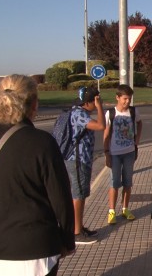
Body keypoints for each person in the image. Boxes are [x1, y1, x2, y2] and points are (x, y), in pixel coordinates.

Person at [0, 74, 75, 276]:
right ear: (33, 104)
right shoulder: (42, 143)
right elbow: (61, 200)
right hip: (35, 247)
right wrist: (68, 241)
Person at [66, 86, 105, 244]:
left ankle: (79, 227)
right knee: (78, 195)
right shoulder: (79, 114)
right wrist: (100, 106)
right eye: (94, 101)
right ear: (89, 102)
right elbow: (101, 126)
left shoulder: (78, 112)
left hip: (81, 159)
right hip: (77, 160)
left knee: (80, 194)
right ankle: (76, 233)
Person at [103, 84, 143, 225]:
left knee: (128, 183)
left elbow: (139, 123)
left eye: (129, 99)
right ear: (117, 97)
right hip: (114, 154)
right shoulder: (111, 113)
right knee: (114, 183)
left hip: (129, 153)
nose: (127, 102)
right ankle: (112, 211)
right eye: (125, 99)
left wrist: (136, 143)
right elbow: (106, 134)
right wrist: (106, 152)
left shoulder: (133, 112)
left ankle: (125, 209)